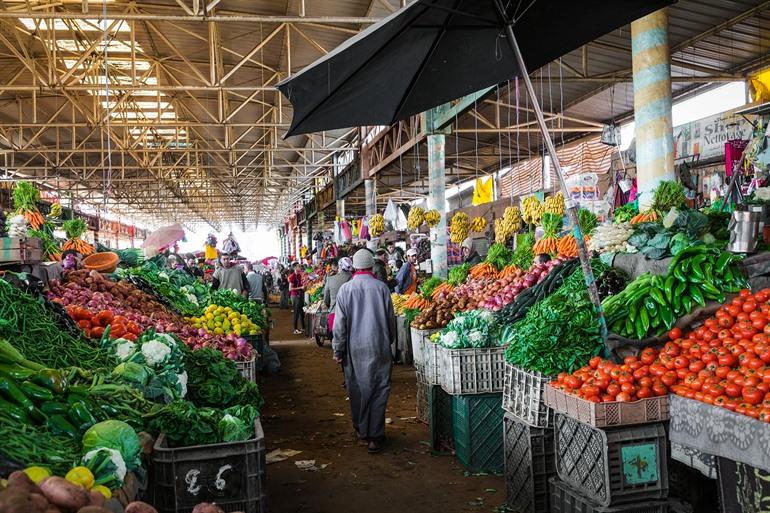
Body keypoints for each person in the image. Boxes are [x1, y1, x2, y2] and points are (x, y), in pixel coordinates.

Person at [332, 249, 396, 454]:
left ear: (354, 268)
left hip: (354, 350)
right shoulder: (382, 288)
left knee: (357, 389)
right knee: (379, 389)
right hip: (379, 346)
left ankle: (361, 428)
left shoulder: (345, 290)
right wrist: (389, 341)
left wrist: (338, 349)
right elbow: (391, 321)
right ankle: (375, 437)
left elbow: (339, 325)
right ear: (371, 266)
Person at [288, 262, 306, 334]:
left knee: (302, 312)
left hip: (300, 295)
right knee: (296, 312)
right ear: (295, 268)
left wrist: (303, 288)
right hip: (295, 296)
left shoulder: (299, 275)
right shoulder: (292, 276)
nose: (300, 267)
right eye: (298, 266)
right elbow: (290, 288)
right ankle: (295, 329)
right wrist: (300, 287)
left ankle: (303, 327)